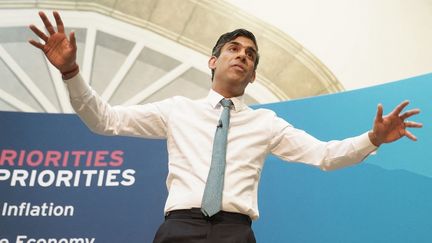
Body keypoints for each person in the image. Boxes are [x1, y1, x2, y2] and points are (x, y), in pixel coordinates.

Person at [29, 11, 422, 243]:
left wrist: (373, 138)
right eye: (234, 49)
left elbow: (323, 155)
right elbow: (105, 121)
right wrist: (71, 71)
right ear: (212, 61)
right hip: (179, 229)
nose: (243, 56)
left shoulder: (266, 123)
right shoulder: (178, 110)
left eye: (250, 55)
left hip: (236, 233)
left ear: (252, 76)